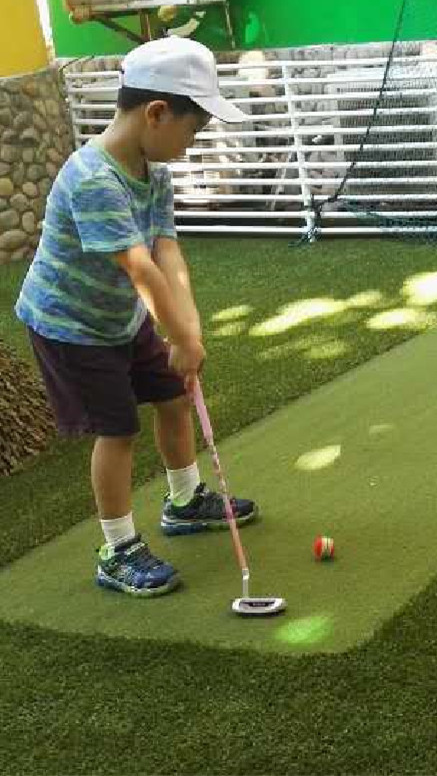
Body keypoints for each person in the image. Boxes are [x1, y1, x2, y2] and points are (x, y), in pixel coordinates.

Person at [14, 36, 259, 597]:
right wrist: (177, 332)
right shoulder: (93, 179)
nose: (193, 143)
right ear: (156, 113)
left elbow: (167, 253)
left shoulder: (155, 172)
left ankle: (184, 498)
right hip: (70, 326)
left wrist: (189, 331)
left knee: (173, 395)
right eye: (192, 129)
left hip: (122, 318)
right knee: (116, 429)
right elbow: (140, 270)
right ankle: (117, 547)